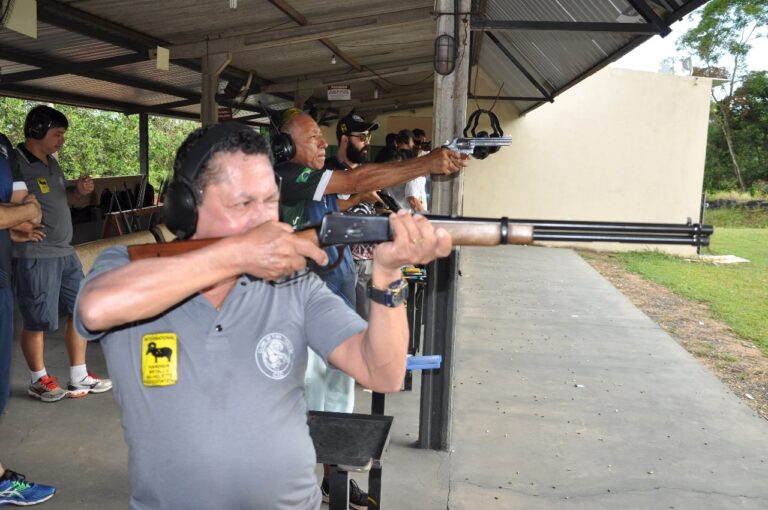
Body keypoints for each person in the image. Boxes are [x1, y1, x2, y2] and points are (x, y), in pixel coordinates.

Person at [73, 123, 453, 510]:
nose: (265, 220)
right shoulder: (126, 266)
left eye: (270, 201)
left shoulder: (294, 283)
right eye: (243, 203)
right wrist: (239, 256)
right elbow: (95, 308)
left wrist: (388, 277)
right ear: (186, 205)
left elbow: (382, 372)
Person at [276, 109, 465, 506]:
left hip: (336, 297)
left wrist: (359, 206)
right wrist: (428, 162)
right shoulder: (290, 175)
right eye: (312, 137)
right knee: (304, 404)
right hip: (300, 308)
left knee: (338, 400)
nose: (321, 142)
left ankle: (333, 480)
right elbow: (357, 179)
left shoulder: (318, 180)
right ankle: (296, 487)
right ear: (286, 144)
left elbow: (332, 212)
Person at [12, 105, 111, 402]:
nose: (61, 140)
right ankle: (38, 379)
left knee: (80, 311)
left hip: (65, 252)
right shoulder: (15, 164)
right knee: (37, 319)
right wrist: (20, 227)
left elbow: (62, 200)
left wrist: (78, 192)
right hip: (36, 253)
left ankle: (78, 376)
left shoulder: (52, 164)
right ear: (38, 130)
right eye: (57, 134)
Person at [0, 133, 57, 506]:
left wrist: (16, 224)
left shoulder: (2, 146)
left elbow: (17, 206)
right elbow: (25, 208)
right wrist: (24, 214)